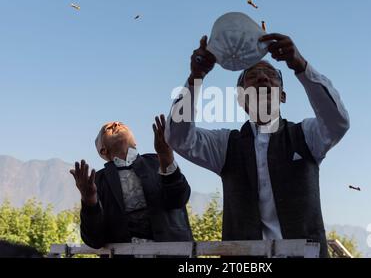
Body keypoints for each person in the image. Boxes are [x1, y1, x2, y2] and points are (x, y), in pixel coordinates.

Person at [165, 34, 350, 258]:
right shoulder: (226, 145)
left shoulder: (307, 136)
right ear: (241, 99)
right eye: (252, 76)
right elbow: (177, 137)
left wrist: (300, 65)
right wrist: (196, 77)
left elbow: (338, 122)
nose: (262, 78)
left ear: (282, 96)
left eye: (271, 75)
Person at [70, 118, 192, 250]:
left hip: (171, 253)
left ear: (134, 142)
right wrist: (89, 200)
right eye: (109, 128)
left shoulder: (157, 161)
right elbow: (94, 240)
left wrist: (167, 158)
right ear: (103, 150)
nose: (116, 124)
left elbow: (179, 199)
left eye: (121, 124)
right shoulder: (97, 180)